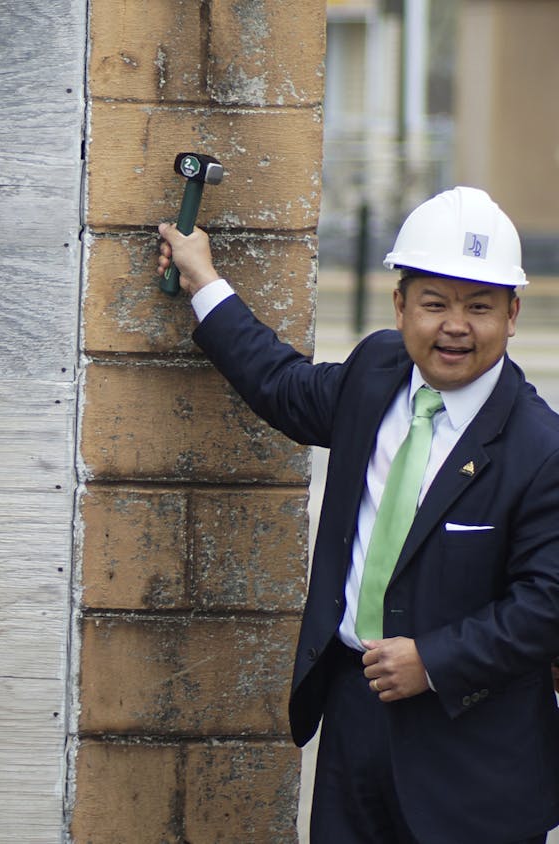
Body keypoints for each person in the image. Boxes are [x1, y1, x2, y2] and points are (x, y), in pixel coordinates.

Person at [157, 186, 559, 843]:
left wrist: (432, 659)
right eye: (434, 303)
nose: (455, 326)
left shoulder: (542, 449)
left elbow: (546, 604)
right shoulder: (376, 372)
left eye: (480, 308)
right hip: (354, 722)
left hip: (474, 755)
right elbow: (283, 387)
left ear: (512, 315)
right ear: (400, 307)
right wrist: (203, 278)